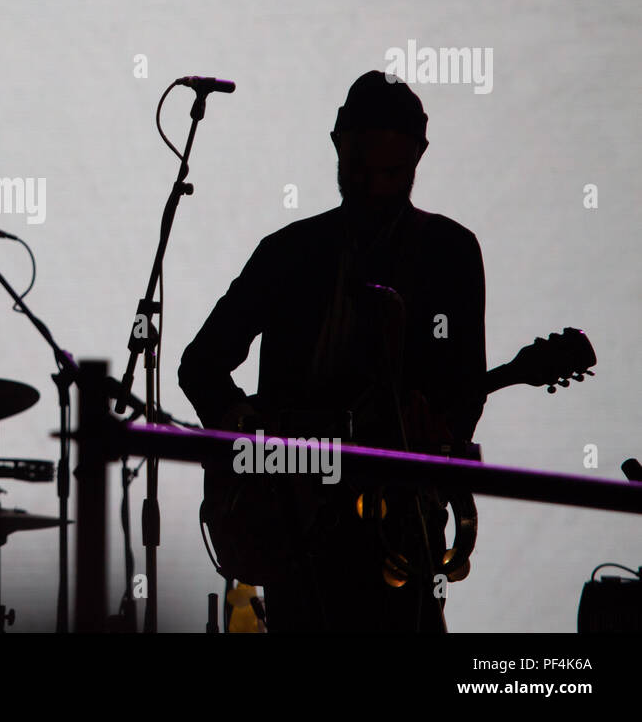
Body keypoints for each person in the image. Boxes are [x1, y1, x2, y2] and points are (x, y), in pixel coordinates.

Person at [179, 71, 487, 631]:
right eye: (359, 170)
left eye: (392, 174)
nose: (373, 188)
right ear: (337, 144)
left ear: (419, 156)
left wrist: (438, 427)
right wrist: (255, 443)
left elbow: (464, 389)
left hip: (401, 525)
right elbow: (201, 364)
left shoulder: (450, 253)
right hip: (296, 522)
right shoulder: (287, 253)